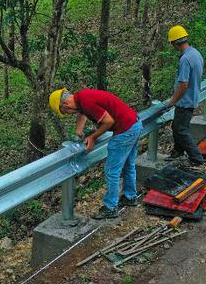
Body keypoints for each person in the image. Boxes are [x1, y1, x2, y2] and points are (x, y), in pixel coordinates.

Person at [49, 87, 142, 219]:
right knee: (129, 165)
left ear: (65, 104)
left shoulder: (85, 101)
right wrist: (78, 132)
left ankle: (110, 208)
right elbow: (83, 113)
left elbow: (109, 121)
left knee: (112, 171)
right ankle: (130, 197)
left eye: (65, 111)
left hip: (125, 131)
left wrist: (92, 137)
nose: (68, 113)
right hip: (135, 124)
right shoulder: (81, 97)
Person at [166, 25, 204, 166]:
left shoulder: (185, 60)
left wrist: (173, 101)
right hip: (192, 97)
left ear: (174, 43)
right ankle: (178, 150)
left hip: (185, 100)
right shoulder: (195, 53)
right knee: (176, 126)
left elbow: (183, 84)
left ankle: (196, 158)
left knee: (181, 130)